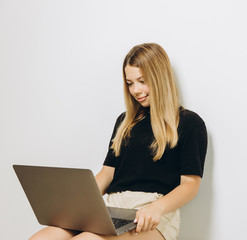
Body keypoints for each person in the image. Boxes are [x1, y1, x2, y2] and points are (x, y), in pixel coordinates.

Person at [29, 43, 208, 240]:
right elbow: (107, 173)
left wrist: (157, 208)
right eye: (130, 83)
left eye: (142, 81)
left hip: (154, 214)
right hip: (113, 208)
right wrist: (78, 204)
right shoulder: (125, 122)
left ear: (160, 78)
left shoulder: (189, 123)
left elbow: (190, 185)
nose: (136, 90)